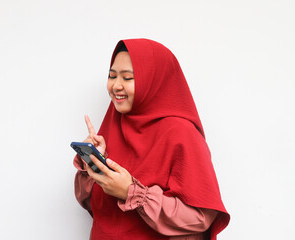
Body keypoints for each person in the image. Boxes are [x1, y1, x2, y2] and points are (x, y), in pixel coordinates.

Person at [73, 39, 230, 240]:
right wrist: (93, 164)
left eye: (127, 78)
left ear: (153, 80)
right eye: (112, 76)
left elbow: (200, 218)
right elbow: (90, 204)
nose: (116, 86)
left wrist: (132, 193)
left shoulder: (180, 132)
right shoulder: (113, 124)